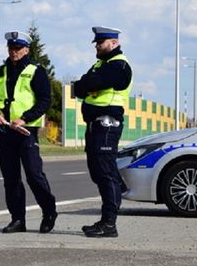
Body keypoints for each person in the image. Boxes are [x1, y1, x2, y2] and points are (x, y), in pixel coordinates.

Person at [0, 31, 57, 234]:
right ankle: (18, 219)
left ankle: (49, 212)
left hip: (26, 131)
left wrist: (24, 118)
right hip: (6, 131)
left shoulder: (36, 71)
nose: (14, 52)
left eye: (18, 48)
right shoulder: (0, 72)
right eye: (11, 48)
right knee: (11, 178)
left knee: (34, 175)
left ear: (26, 49)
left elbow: (44, 100)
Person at [73, 26, 133, 237]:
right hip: (94, 126)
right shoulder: (100, 64)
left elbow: (93, 82)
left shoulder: (120, 65)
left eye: (100, 43)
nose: (97, 46)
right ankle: (115, 194)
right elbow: (79, 87)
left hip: (107, 125)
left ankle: (109, 223)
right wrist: (88, 84)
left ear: (114, 43)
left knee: (106, 172)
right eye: (97, 43)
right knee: (97, 171)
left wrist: (90, 83)